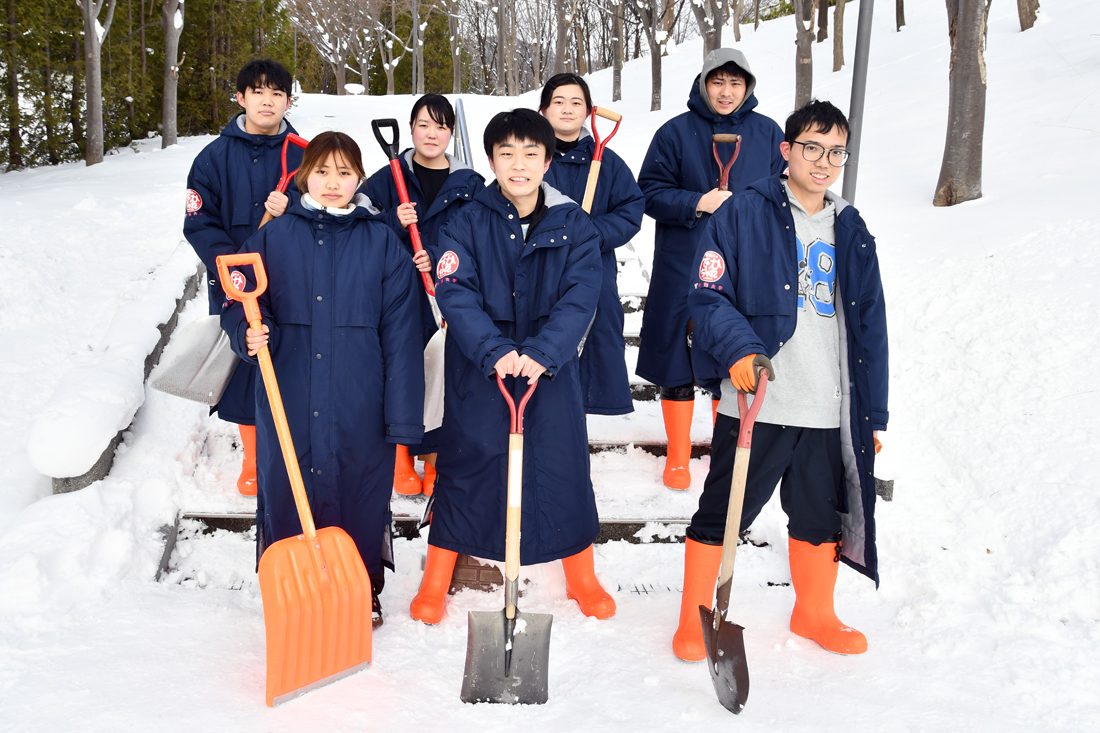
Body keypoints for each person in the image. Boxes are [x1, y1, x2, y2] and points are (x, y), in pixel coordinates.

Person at [672, 100, 888, 661]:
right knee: (723, 512)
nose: (823, 161)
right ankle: (697, 617)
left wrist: (875, 414)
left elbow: (871, 326)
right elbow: (707, 294)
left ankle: (814, 612)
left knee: (820, 519)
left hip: (826, 405)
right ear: (786, 151)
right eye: (811, 147)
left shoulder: (851, 225)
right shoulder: (744, 213)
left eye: (835, 151)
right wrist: (739, 349)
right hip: (755, 399)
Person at [407, 109, 615, 624]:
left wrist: (543, 353)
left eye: (529, 154)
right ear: (493, 160)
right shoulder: (466, 219)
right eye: (506, 153)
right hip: (481, 368)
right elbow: (455, 291)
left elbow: (581, 296)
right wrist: (495, 350)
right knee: (467, 465)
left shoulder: (576, 226)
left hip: (551, 368)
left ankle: (582, 577)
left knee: (561, 465)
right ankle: (436, 579)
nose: (518, 165)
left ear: (547, 160)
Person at [221, 131, 425, 628]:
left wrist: (402, 419)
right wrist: (247, 332)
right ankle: (296, 590)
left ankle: (360, 589)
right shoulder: (273, 235)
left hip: (360, 395)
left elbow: (402, 335)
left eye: (345, 172)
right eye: (323, 171)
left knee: (359, 489)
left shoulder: (380, 240)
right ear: (305, 175)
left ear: (359, 178)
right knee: (288, 486)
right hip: (287, 387)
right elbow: (240, 300)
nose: (333, 183)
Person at [636, 48, 786, 490]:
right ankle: (679, 455)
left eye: (735, 83)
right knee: (676, 353)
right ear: (704, 84)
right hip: (683, 257)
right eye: (718, 82)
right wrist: (697, 201)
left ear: (748, 87)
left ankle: (726, 452)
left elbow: (783, 193)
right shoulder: (675, 133)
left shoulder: (767, 133)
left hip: (744, 262)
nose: (726, 92)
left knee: (731, 348)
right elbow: (648, 192)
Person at [184, 58, 303, 497]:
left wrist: (290, 214)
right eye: (258, 92)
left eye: (277, 93)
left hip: (294, 280)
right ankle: (253, 460)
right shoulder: (213, 158)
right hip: (235, 280)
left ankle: (289, 453)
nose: (267, 100)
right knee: (246, 370)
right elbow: (198, 222)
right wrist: (233, 265)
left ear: (288, 101)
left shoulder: (303, 155)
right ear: (241, 98)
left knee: (293, 364)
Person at [364, 93, 485, 497]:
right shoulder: (388, 178)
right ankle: (400, 457)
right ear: (411, 128)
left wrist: (438, 257)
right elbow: (356, 225)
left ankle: (435, 459)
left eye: (441, 126)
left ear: (451, 132)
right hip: (396, 294)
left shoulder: (470, 185)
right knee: (401, 372)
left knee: (443, 375)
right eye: (424, 125)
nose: (432, 134)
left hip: (448, 293)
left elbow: (479, 239)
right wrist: (392, 221)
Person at [538, 73, 644, 416]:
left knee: (593, 343)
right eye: (558, 102)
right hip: (540, 269)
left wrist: (592, 233)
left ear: (588, 112)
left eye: (576, 102)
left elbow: (630, 210)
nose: (567, 110)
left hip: (592, 271)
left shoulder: (606, 162)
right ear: (543, 110)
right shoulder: (530, 156)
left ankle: (578, 423)